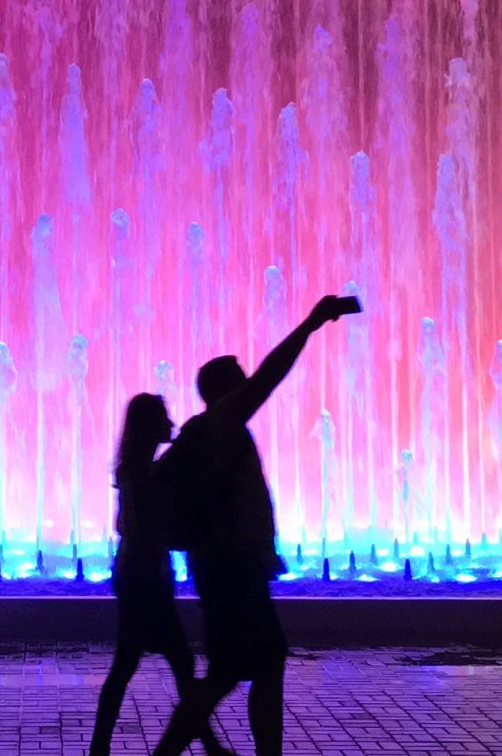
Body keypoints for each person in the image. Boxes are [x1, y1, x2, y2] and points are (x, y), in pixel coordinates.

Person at [150, 294, 359, 756]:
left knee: (248, 666)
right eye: (240, 380)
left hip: (226, 567)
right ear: (227, 390)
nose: (250, 383)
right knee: (248, 666)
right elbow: (270, 375)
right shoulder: (222, 422)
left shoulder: (212, 430)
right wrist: (310, 325)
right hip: (229, 569)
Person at [87, 394, 232, 756]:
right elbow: (142, 527)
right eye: (164, 417)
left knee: (137, 664)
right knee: (168, 663)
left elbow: (128, 524)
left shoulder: (139, 470)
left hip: (140, 576)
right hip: (145, 580)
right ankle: (207, 746)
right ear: (149, 425)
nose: (171, 421)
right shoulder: (142, 474)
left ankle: (100, 747)